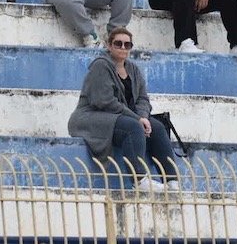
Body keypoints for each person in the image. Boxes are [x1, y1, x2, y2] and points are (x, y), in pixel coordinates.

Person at [68, 28, 179, 192]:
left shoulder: (133, 69)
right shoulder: (101, 66)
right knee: (133, 128)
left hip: (122, 117)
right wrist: (137, 119)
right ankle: (139, 180)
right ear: (109, 45)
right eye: (118, 43)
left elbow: (142, 99)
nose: (122, 47)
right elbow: (104, 101)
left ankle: (172, 181)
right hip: (93, 117)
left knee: (157, 127)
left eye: (127, 44)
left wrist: (142, 116)